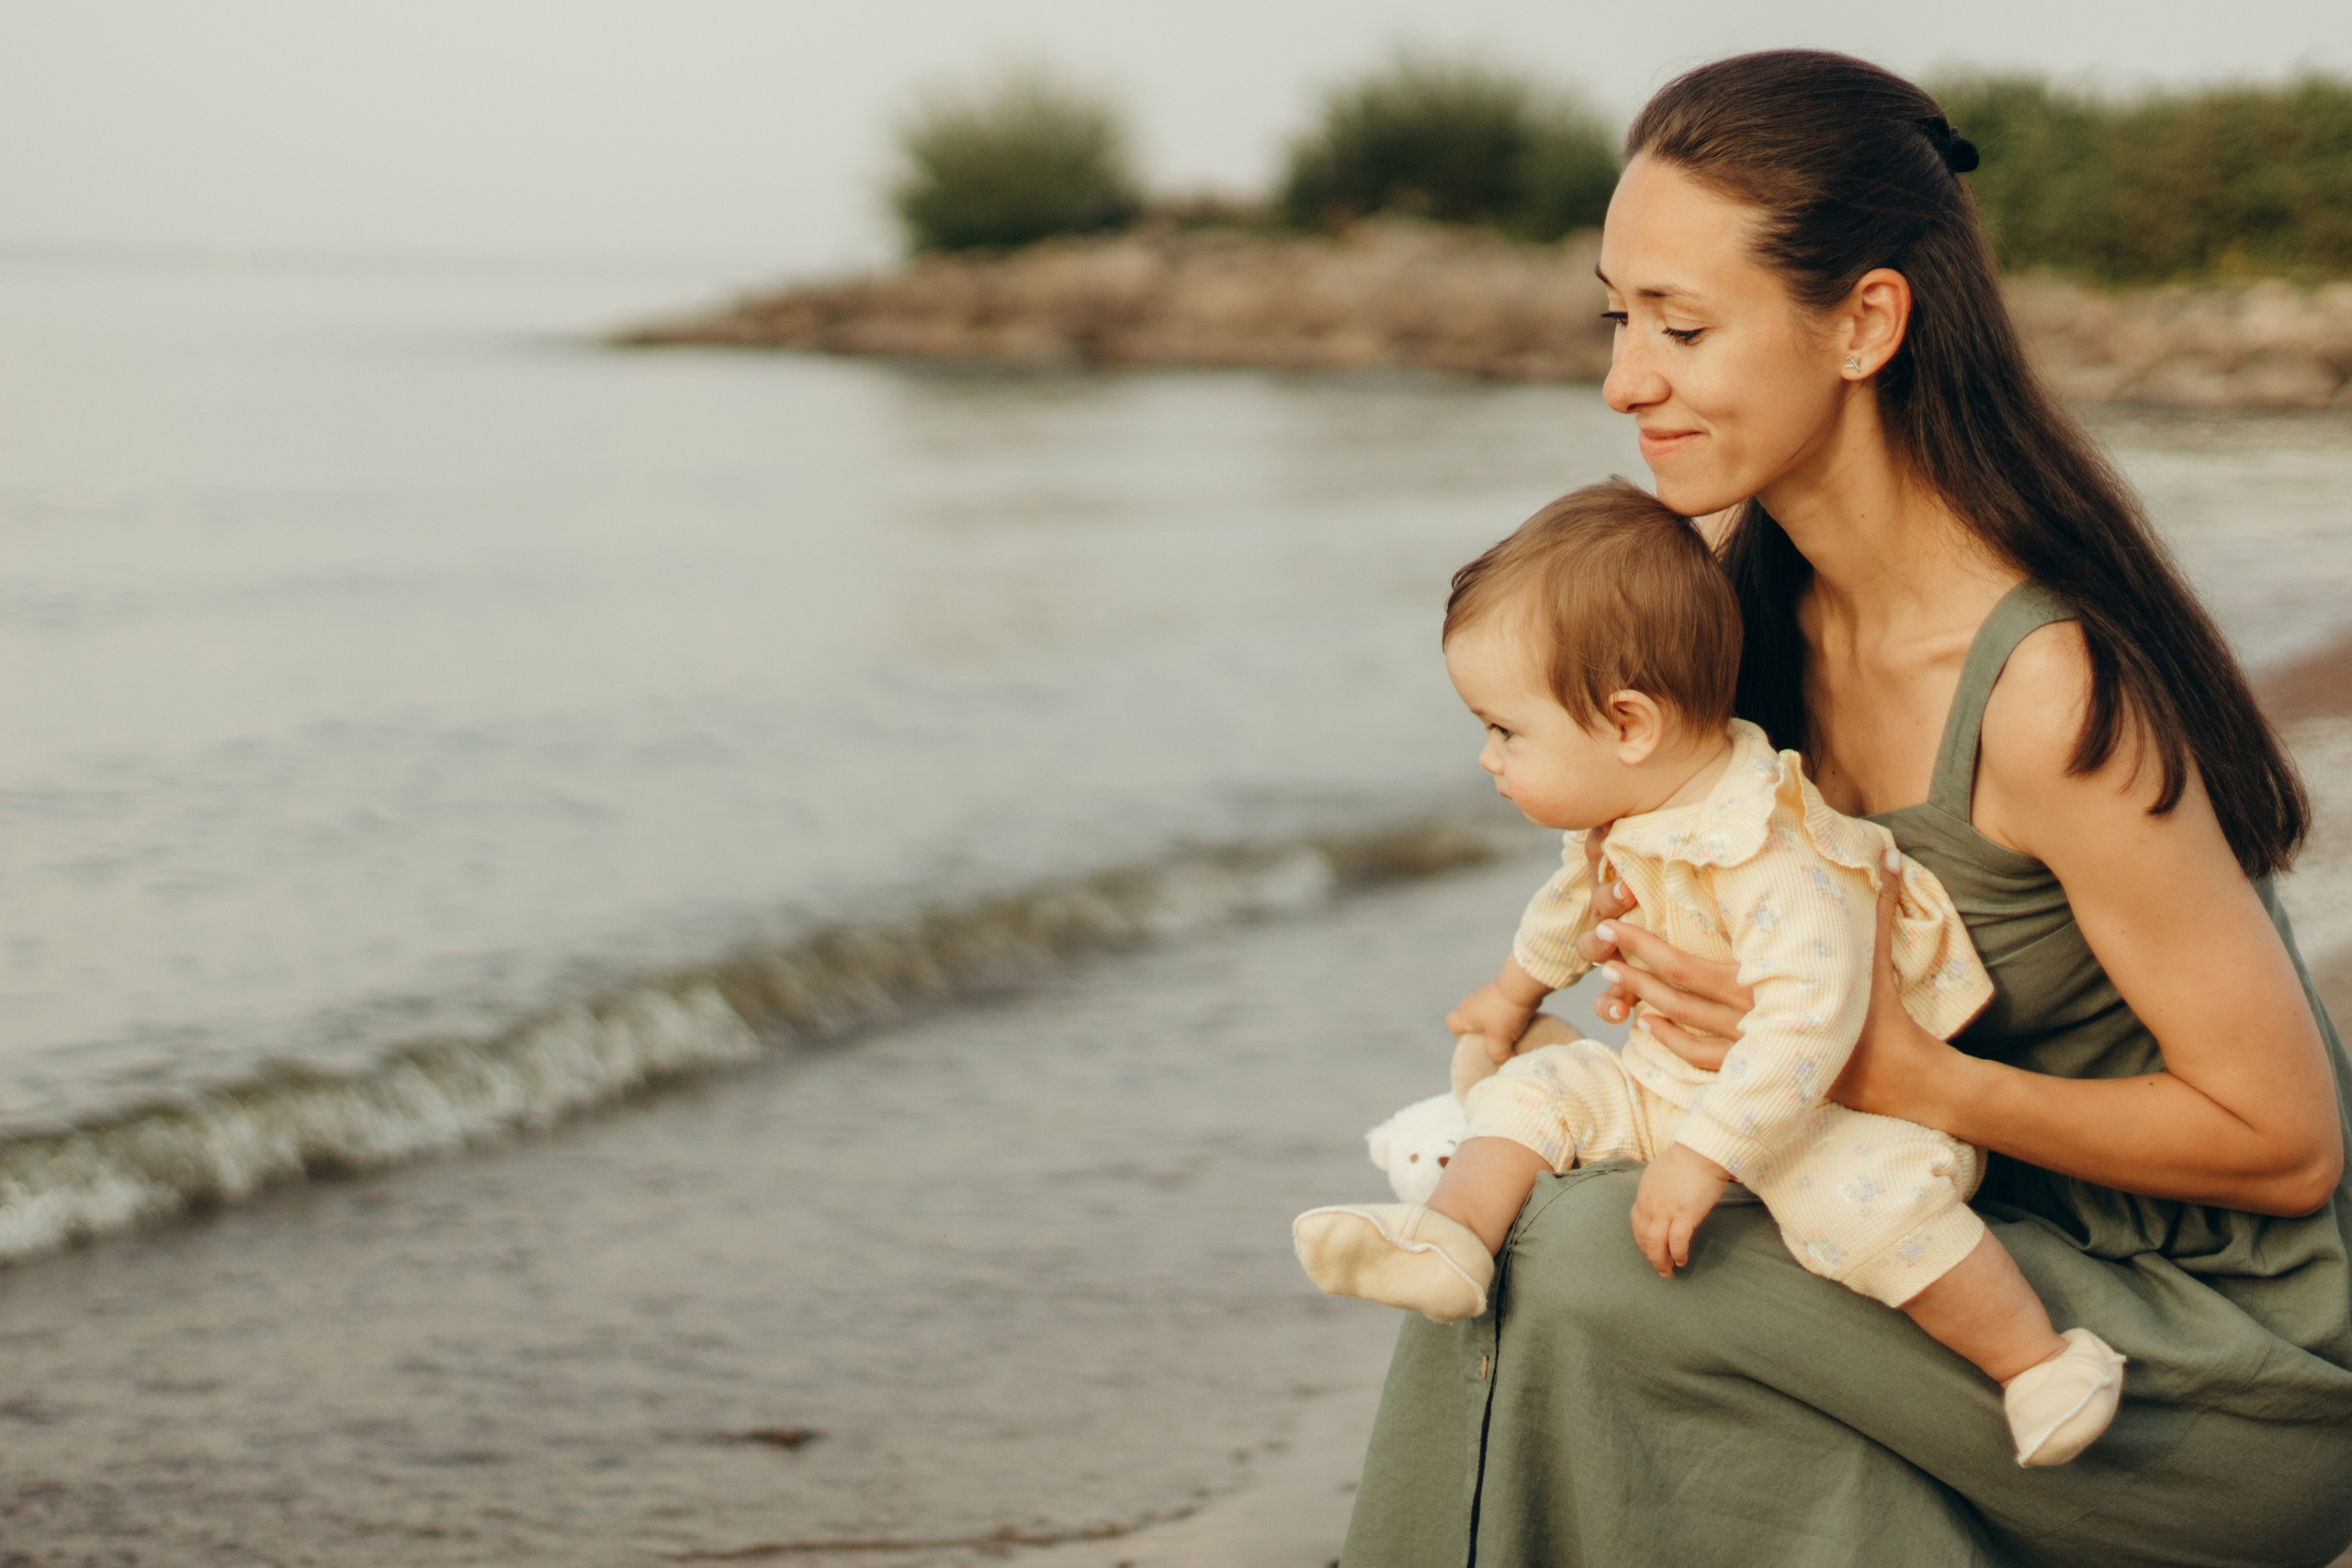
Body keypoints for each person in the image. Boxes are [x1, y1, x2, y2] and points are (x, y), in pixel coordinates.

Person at [1338, 50, 2352, 1568]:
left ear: (1867, 321)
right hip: (1959, 1242)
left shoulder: (2042, 688)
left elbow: (2286, 1145)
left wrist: (1893, 1067)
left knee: (1583, 1257)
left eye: (1681, 324)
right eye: (1620, 318)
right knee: (1527, 1202)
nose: (1626, 378)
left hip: (2214, 1364)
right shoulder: (1747, 632)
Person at [1293, 481, 2125, 1467]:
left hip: (1818, 1111)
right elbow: (1570, 908)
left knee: (1865, 1208)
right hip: (1669, 1082)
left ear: (1628, 724)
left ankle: (2036, 1362)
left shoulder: (1772, 849)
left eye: (1505, 731)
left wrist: (1703, 1157)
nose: (1486, 759)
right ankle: (1451, 1242)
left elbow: (1808, 1023)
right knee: (1536, 1089)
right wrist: (1514, 996)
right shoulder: (1631, 814)